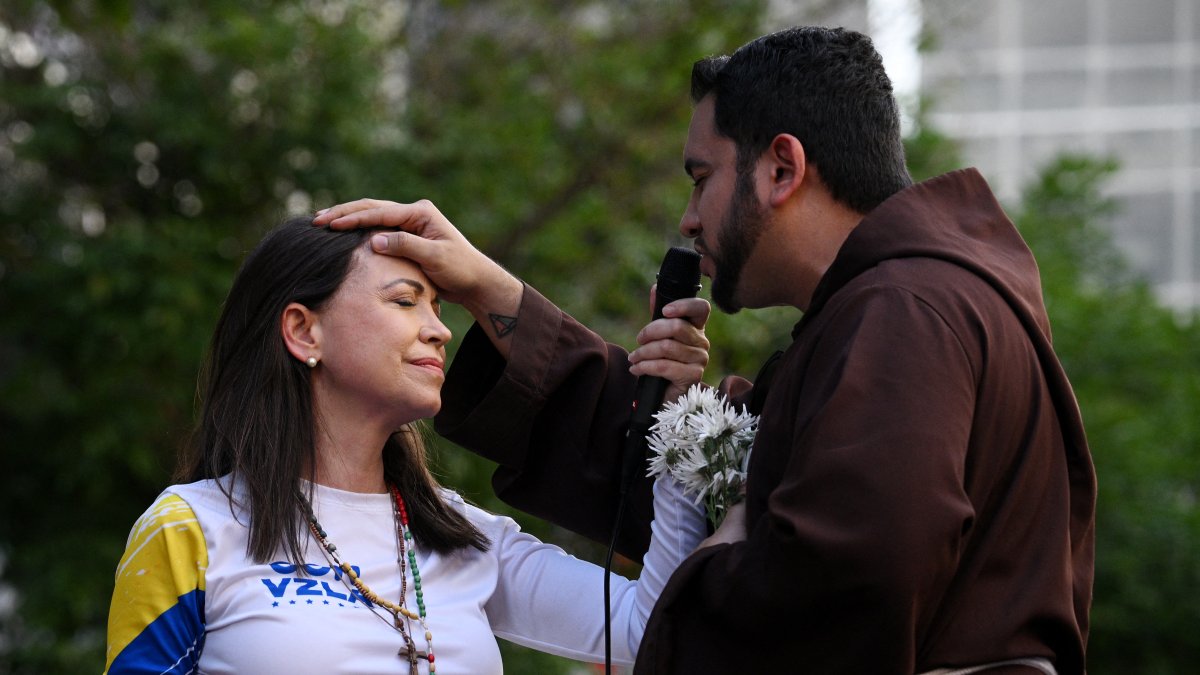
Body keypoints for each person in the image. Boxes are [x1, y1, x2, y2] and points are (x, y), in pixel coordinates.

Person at [314, 25, 1097, 674]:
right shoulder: (889, 310)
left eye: (702, 178)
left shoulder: (906, 312)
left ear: (782, 168)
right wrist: (496, 294)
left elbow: (850, 578)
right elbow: (668, 492)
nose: (690, 220)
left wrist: (707, 570)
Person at [101, 217, 728, 674]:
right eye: (404, 301)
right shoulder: (191, 528)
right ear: (302, 330)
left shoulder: (461, 534)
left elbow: (654, 627)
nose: (440, 329)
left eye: (436, 305)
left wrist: (676, 418)